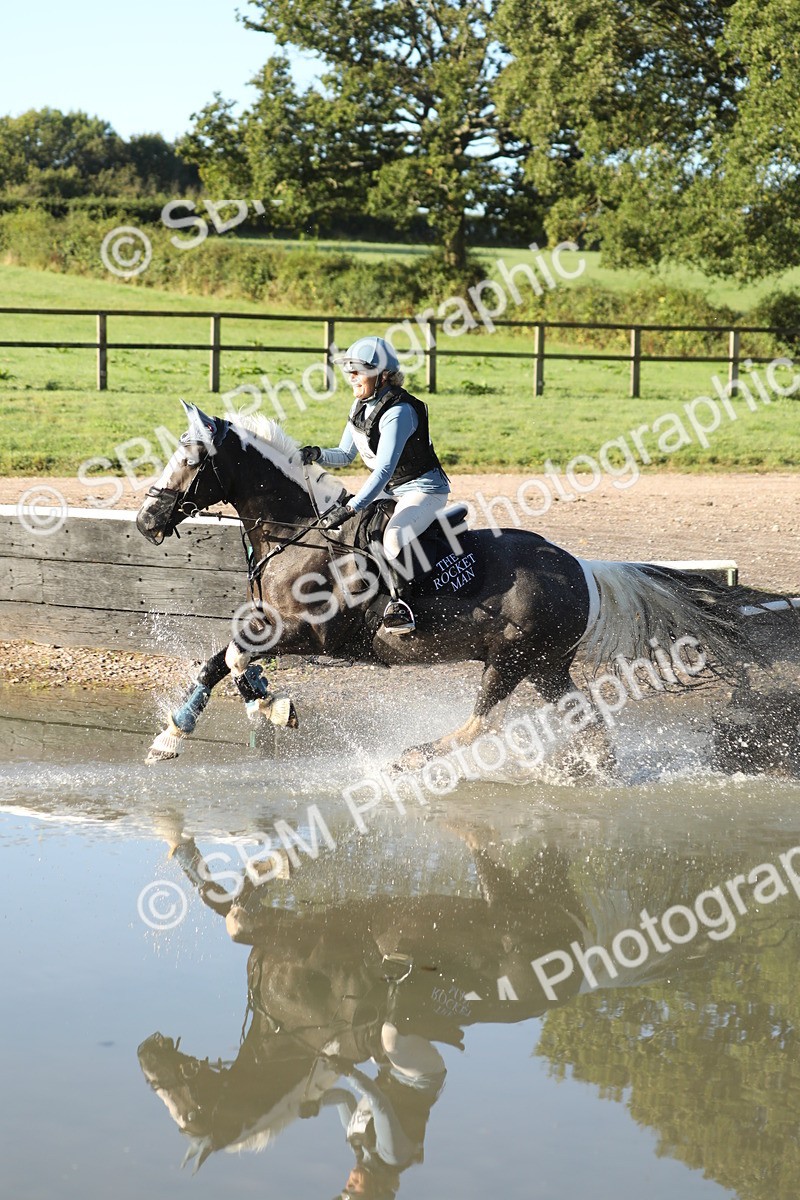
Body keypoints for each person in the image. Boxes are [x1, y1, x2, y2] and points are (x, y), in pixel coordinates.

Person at [299, 336, 450, 634]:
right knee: (355, 532)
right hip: (392, 489)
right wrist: (316, 454)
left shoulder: (399, 412)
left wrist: (352, 506)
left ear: (383, 376)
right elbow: (344, 454)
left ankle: (402, 607)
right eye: (350, 371)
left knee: (393, 537)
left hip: (423, 490)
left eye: (359, 371)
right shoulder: (361, 404)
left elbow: (382, 469)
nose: (351, 377)